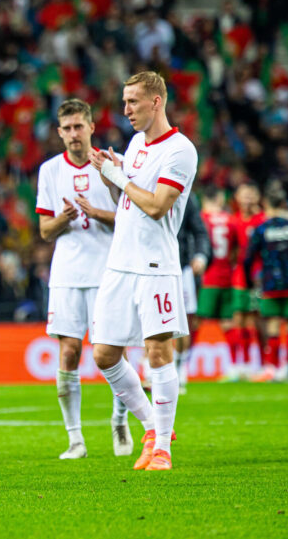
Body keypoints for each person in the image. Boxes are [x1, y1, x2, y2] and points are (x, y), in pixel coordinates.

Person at [88, 71, 197, 472]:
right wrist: (114, 173)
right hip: (120, 262)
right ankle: (152, 425)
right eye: (124, 101)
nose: (126, 109)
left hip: (155, 265)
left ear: (156, 101)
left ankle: (163, 449)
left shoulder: (181, 150)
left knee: (157, 351)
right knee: (103, 354)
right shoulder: (135, 144)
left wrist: (119, 177)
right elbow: (129, 204)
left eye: (133, 101)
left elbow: (156, 206)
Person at [35, 98, 131, 460]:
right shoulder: (49, 171)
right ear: (59, 133)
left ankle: (119, 419)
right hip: (67, 273)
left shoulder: (111, 164)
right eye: (68, 128)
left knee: (111, 352)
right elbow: (45, 231)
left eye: (80, 126)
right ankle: (75, 439)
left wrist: (98, 213)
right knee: (70, 351)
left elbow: (132, 216)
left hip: (109, 270)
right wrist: (64, 218)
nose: (74, 134)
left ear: (92, 127)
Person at [243, 188, 288, 382]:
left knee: (272, 324)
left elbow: (248, 258)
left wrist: (250, 282)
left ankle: (271, 368)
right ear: (283, 204)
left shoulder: (262, 228)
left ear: (266, 204)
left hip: (271, 282)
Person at [197, 186, 244, 380]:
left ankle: (181, 363)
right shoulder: (231, 220)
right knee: (228, 323)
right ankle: (234, 366)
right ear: (219, 198)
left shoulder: (201, 219)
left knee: (195, 322)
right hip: (227, 277)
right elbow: (238, 251)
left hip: (206, 278)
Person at [175, 190, 210, 393]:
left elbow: (199, 231)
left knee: (182, 322)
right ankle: (153, 369)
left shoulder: (185, 197)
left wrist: (201, 255)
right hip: (149, 267)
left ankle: (179, 369)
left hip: (181, 266)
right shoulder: (140, 189)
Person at [231, 183, 267, 377]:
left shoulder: (262, 219)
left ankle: (264, 363)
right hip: (239, 277)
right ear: (236, 197)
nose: (248, 199)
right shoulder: (234, 220)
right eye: (244, 195)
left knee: (259, 319)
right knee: (240, 319)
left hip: (259, 275)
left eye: (251, 195)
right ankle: (241, 364)